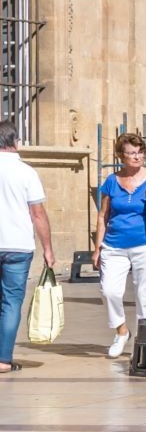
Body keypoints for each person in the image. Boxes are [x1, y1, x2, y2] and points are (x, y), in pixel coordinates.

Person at [93, 132, 146, 359]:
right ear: (121, 155)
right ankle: (122, 331)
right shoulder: (112, 181)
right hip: (114, 246)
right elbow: (103, 215)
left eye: (140, 152)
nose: (137, 156)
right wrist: (97, 247)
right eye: (131, 153)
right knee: (109, 290)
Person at [0, 122, 55, 374]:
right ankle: (3, 360)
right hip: (18, 246)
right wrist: (48, 248)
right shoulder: (27, 172)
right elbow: (38, 214)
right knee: (11, 302)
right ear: (16, 142)